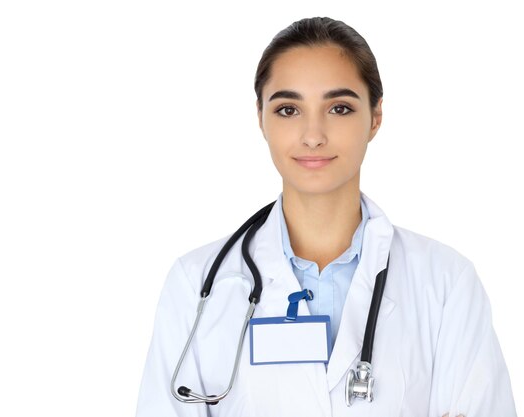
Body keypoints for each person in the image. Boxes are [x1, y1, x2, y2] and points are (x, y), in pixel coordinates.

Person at [135, 16, 517, 417]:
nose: (313, 134)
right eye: (288, 109)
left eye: (339, 108)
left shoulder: (445, 283)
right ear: (260, 118)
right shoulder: (195, 285)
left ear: (375, 117)